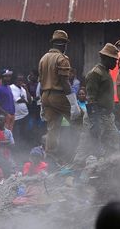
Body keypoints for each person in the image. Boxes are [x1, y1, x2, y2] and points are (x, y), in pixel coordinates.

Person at [73, 43, 120, 168]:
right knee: (86, 147)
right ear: (106, 58)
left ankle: (111, 172)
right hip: (96, 116)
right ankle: (75, 173)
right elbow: (91, 98)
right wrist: (95, 123)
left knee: (114, 144)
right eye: (114, 60)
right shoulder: (96, 73)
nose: (116, 63)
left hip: (107, 116)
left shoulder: (105, 72)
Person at [39, 30, 81, 163]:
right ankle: (83, 151)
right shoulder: (62, 58)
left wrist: (42, 104)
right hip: (59, 96)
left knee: (52, 127)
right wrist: (74, 104)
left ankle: (50, 158)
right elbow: (64, 82)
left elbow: (41, 82)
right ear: (64, 45)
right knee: (81, 120)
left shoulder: (43, 58)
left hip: (45, 96)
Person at [10, 74, 31, 150]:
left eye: (22, 80)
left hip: (25, 115)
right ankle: (17, 150)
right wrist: (23, 100)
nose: (20, 82)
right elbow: (18, 100)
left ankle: (25, 149)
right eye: (19, 80)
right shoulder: (12, 87)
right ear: (15, 80)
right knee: (17, 135)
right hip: (17, 117)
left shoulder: (23, 89)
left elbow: (29, 101)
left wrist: (26, 89)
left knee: (25, 133)